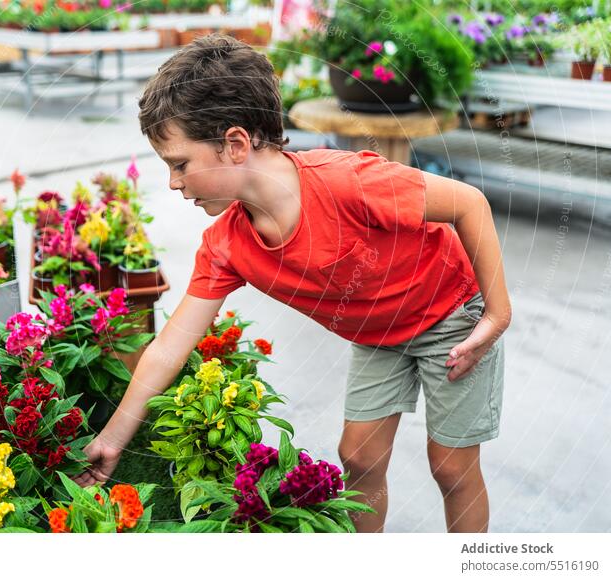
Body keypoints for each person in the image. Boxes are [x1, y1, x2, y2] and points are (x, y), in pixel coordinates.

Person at [74, 34, 511, 533]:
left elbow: (468, 203)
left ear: (235, 144)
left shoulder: (349, 181)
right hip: (379, 333)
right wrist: (110, 441)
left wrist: (497, 315)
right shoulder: (226, 246)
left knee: (451, 467)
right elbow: (167, 348)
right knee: (360, 458)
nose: (174, 182)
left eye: (180, 164)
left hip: (452, 316)